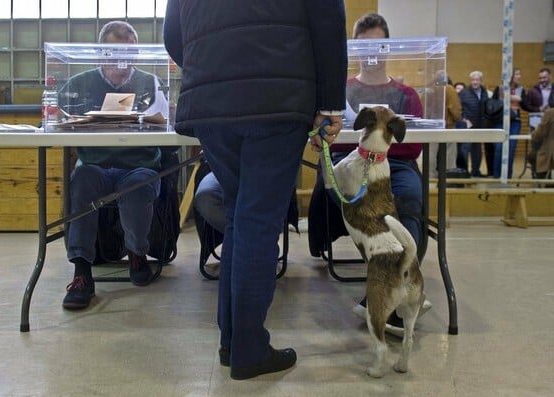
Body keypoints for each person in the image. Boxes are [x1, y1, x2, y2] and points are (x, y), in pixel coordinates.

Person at [164, 0, 347, 380]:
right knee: (258, 221)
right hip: (277, 99)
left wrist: (214, 68)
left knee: (239, 216)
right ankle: (249, 348)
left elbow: (172, 35)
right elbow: (327, 17)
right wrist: (330, 102)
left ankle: (233, 341)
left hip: (211, 103)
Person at [308, 12, 430, 338]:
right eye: (364, 46)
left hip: (396, 166)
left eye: (378, 45)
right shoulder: (339, 91)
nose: (371, 52)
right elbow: (326, 137)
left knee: (410, 199)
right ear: (354, 50)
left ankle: (394, 284)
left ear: (388, 47)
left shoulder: (408, 96)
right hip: (346, 163)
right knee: (355, 200)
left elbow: (411, 148)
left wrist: (371, 146)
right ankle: (385, 290)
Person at [59, 21, 170, 310]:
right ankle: (82, 269)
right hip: (96, 164)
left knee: (138, 185)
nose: (122, 60)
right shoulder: (79, 83)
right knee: (82, 180)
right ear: (101, 55)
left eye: (130, 53)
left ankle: (136, 252)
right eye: (114, 53)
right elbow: (54, 119)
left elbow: (168, 123)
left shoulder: (150, 82)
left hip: (138, 163)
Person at [492, 67, 528, 178]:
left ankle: (508, 175)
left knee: (511, 148)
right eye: (517, 74)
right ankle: (497, 175)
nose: (520, 76)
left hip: (515, 121)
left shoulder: (521, 89)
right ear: (511, 76)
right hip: (500, 120)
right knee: (499, 147)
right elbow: (493, 103)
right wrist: (510, 97)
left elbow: (525, 105)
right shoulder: (500, 88)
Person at [428, 72, 463, 176]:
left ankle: (429, 174)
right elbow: (454, 108)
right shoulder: (449, 89)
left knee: (430, 151)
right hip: (447, 125)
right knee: (449, 151)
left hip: (430, 125)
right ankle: (449, 174)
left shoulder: (429, 89)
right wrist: (457, 118)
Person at [457, 70, 490, 176]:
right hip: (468, 125)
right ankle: (464, 172)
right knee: (465, 149)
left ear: (481, 81)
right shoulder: (464, 92)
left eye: (477, 80)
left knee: (477, 150)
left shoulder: (485, 92)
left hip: (480, 125)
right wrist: (465, 119)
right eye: (473, 80)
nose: (475, 82)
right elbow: (459, 109)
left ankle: (476, 171)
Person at [530, 107, 554, 178]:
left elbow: (538, 134)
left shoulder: (550, 113)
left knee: (531, 157)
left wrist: (533, 134)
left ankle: (544, 182)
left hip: (550, 151)